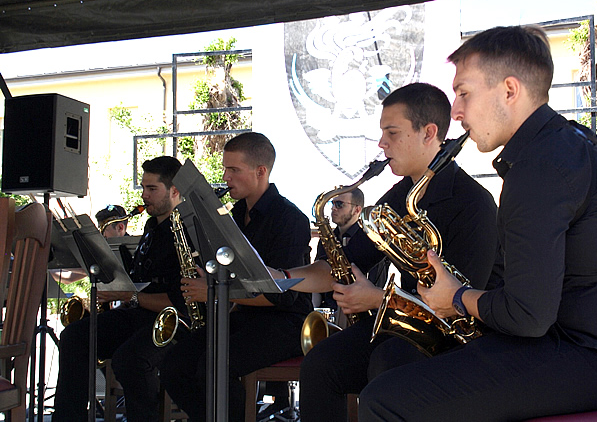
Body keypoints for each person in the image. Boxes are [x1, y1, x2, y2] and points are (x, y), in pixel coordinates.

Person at [358, 25, 597, 421]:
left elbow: (527, 315)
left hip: (586, 357)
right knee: (397, 365)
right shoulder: (575, 143)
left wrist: (456, 297)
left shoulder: (539, 167)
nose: (455, 112)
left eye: (464, 93)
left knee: (384, 399)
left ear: (509, 91)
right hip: (588, 350)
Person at [270, 82, 501, 421]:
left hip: (460, 340)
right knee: (320, 362)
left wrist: (377, 299)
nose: (381, 144)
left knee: (390, 361)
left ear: (429, 133)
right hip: (404, 325)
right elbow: (343, 264)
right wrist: (279, 278)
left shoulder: (475, 203)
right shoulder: (399, 195)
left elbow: (461, 306)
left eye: (391, 133)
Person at [158, 132, 313, 422]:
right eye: (225, 168)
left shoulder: (291, 219)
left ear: (260, 171)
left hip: (286, 322)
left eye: (234, 170)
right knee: (173, 365)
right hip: (245, 317)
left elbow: (284, 295)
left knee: (215, 365)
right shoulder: (233, 214)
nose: (226, 177)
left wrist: (215, 292)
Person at [52, 156, 186, 422]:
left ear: (174, 190)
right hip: (141, 314)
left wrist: (129, 295)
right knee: (75, 337)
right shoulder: (151, 226)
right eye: (144, 188)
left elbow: (179, 301)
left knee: (130, 358)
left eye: (152, 189)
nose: (145, 196)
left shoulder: (186, 229)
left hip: (174, 322)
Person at [314, 188, 365, 323]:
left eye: (339, 204)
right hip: (328, 312)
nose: (333, 209)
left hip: (357, 314)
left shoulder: (368, 241)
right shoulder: (326, 239)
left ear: (357, 210)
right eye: (332, 203)